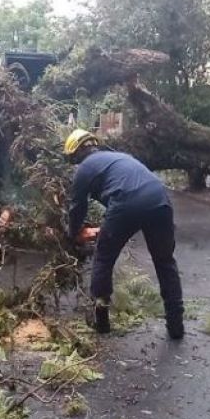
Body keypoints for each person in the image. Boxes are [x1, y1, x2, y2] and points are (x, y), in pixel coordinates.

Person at [64, 128, 185, 339]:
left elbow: (77, 207)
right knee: (165, 262)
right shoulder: (120, 157)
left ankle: (101, 321)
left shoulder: (84, 169)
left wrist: (72, 234)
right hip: (159, 198)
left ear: (77, 154)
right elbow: (126, 186)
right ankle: (176, 325)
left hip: (126, 203)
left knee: (103, 257)